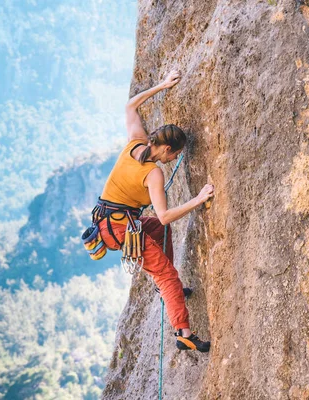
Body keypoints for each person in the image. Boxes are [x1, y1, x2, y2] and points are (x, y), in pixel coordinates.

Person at [95, 70, 214, 352]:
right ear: (167, 149)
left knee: (161, 231)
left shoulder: (135, 143)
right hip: (120, 229)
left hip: (109, 223)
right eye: (174, 155)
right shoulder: (153, 174)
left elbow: (130, 106)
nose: (173, 160)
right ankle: (184, 334)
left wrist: (162, 85)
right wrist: (198, 199)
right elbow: (165, 213)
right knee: (167, 275)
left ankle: (167, 289)